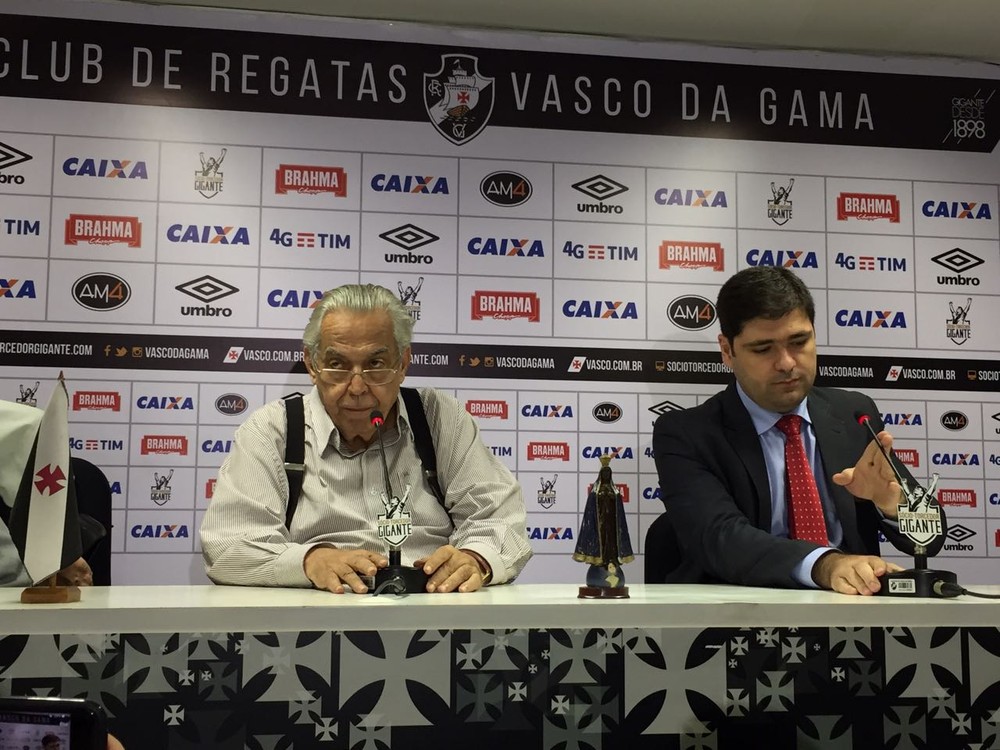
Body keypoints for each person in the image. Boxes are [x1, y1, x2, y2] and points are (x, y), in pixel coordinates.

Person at [201, 283, 532, 594]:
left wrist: (475, 559)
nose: (357, 387)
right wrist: (309, 561)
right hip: (321, 609)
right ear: (312, 365)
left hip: (432, 604)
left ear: (402, 364)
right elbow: (227, 545)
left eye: (375, 364)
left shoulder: (440, 418)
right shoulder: (273, 430)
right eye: (337, 365)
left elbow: (500, 518)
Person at [651, 266, 944, 595]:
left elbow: (932, 538)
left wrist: (893, 504)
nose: (787, 363)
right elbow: (720, 537)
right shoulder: (686, 434)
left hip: (851, 611)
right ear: (727, 350)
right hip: (736, 614)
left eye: (799, 341)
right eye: (763, 349)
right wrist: (825, 564)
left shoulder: (854, 414)